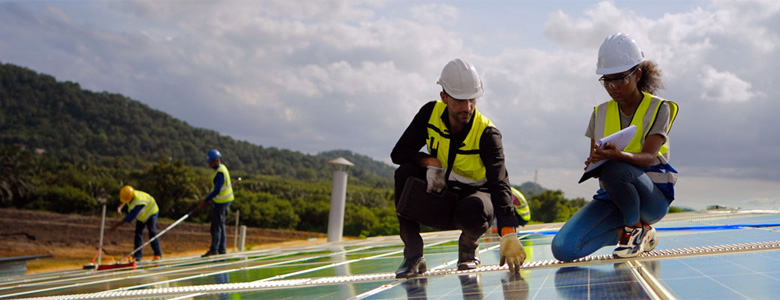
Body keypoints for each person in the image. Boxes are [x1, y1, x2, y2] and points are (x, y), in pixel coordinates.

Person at [391, 58, 526, 278]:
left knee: (476, 208)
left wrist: (508, 233)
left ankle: (468, 248)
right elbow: (399, 153)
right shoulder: (429, 114)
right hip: (442, 195)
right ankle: (413, 254)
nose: (467, 107)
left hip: (474, 203)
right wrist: (429, 162)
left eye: (472, 99)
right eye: (460, 101)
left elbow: (499, 183)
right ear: (444, 97)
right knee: (404, 173)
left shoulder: (487, 134)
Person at [551, 33, 679, 261]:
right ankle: (633, 233)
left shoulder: (659, 108)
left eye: (620, 79)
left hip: (651, 198)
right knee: (563, 248)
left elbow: (649, 157)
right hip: (614, 197)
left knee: (615, 167)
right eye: (607, 81)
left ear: (637, 74)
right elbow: (597, 158)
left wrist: (616, 155)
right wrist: (594, 161)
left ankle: (634, 228)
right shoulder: (599, 113)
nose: (612, 87)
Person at [108, 185, 162, 262]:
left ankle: (157, 254)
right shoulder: (130, 194)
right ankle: (137, 256)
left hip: (151, 213)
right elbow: (124, 200)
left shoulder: (139, 202)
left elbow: (129, 217)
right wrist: (119, 208)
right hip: (141, 216)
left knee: (152, 232)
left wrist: (116, 225)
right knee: (138, 233)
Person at [198, 149, 235, 257]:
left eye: (210, 162)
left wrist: (205, 201)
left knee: (216, 227)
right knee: (221, 226)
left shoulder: (220, 173)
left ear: (216, 161)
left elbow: (217, 190)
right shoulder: (222, 169)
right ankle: (222, 249)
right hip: (223, 202)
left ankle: (214, 249)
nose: (209, 165)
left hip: (221, 203)